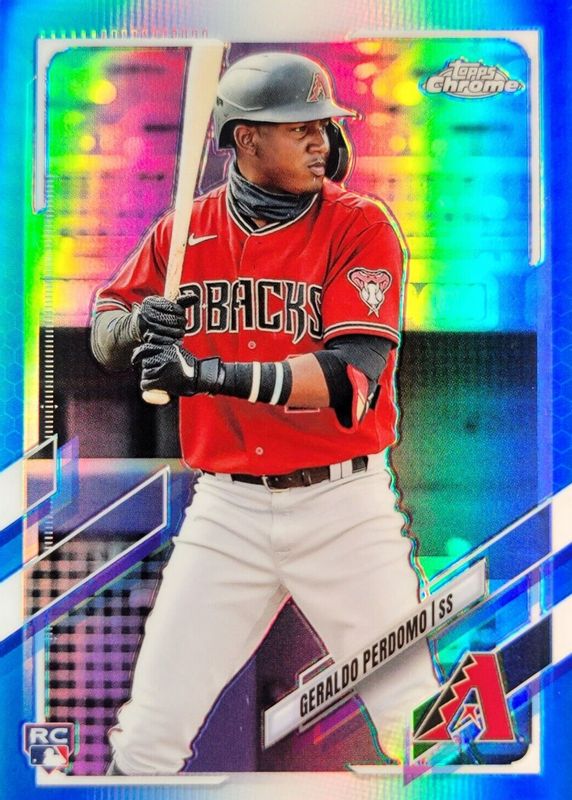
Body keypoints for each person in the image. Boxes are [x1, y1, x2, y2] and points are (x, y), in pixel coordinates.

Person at [91, 51, 438, 776]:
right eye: (299, 126)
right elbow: (105, 333)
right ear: (246, 138)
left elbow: (349, 374)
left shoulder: (360, 225)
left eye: (324, 125)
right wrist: (137, 326)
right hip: (228, 513)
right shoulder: (184, 232)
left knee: (418, 724)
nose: (322, 139)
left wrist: (205, 374)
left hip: (344, 508)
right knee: (147, 735)